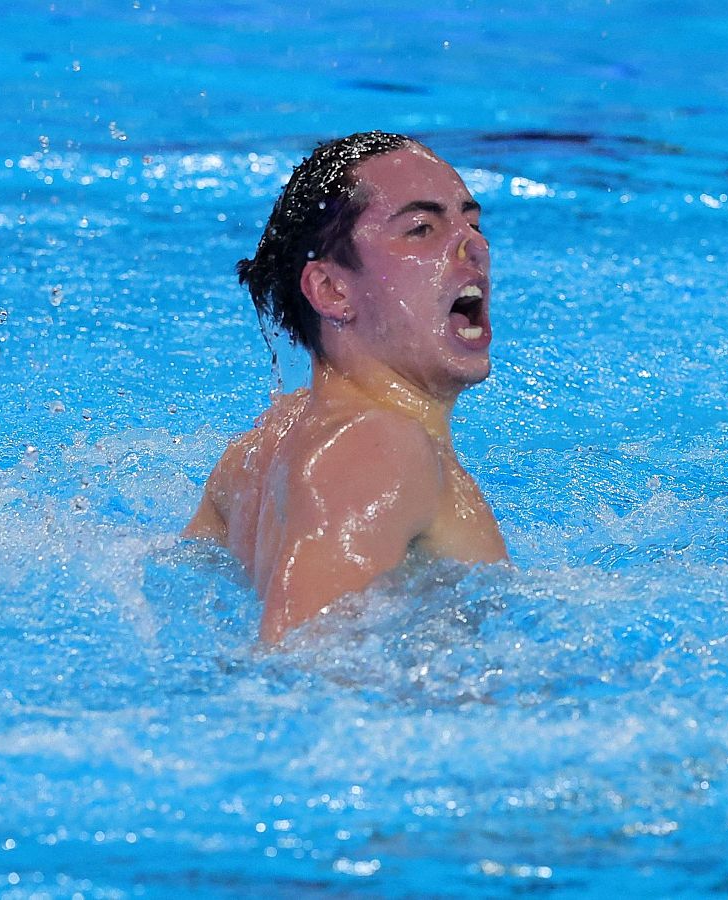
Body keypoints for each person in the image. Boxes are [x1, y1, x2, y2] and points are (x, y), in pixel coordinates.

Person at [184, 131, 508, 641]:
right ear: (332, 290)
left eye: (471, 221)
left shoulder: (258, 451)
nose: (475, 245)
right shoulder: (378, 448)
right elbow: (298, 672)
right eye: (422, 229)